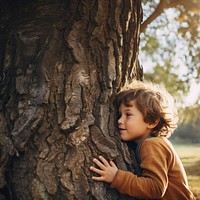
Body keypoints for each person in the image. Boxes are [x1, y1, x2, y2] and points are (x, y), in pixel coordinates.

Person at [90, 80, 196, 200]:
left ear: (151, 121)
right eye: (120, 115)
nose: (119, 121)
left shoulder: (152, 144)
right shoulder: (150, 143)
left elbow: (156, 188)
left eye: (128, 115)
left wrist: (117, 177)